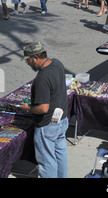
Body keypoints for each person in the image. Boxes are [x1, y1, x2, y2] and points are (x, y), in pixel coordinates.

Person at [20, 42, 68, 178]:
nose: (28, 63)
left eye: (28, 60)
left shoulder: (42, 78)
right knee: (60, 154)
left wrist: (28, 108)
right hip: (62, 120)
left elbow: (43, 108)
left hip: (47, 126)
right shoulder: (57, 63)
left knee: (47, 162)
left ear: (35, 57)